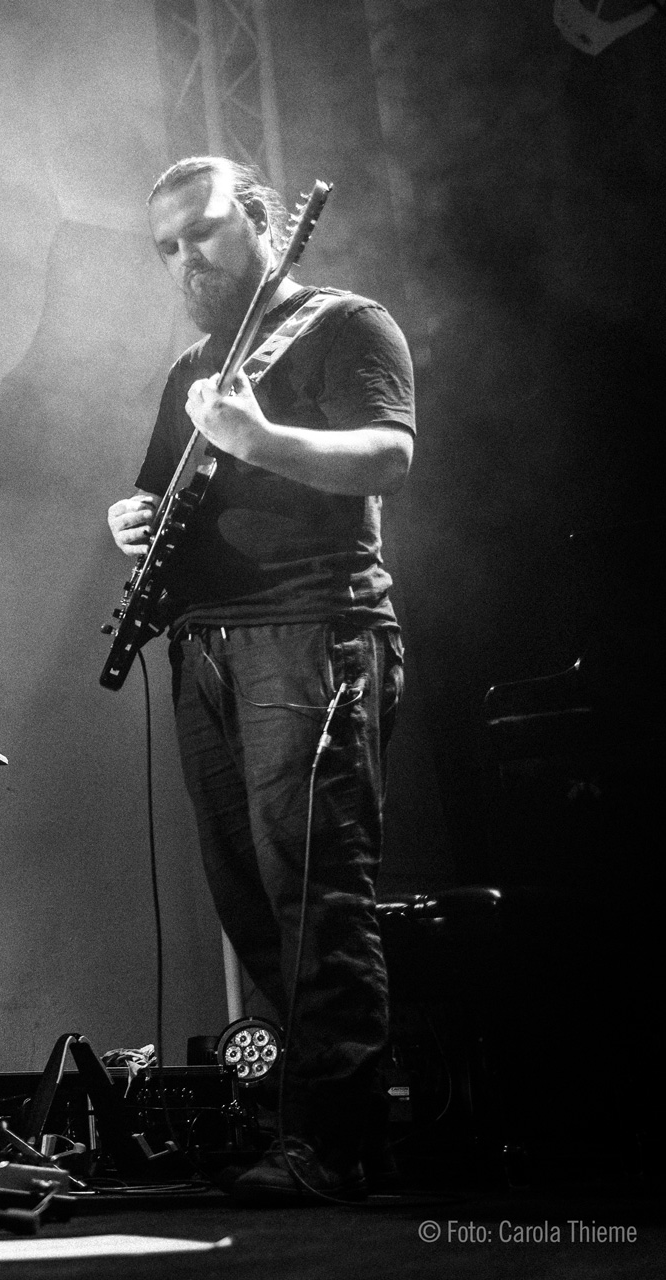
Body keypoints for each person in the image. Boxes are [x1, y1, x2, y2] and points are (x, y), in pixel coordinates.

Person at [106, 157, 412, 1201]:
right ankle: (311, 1129)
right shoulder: (191, 367)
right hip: (206, 649)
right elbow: (157, 499)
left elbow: (387, 456)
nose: (185, 258)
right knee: (248, 897)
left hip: (311, 630)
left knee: (315, 891)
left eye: (201, 230)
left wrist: (264, 440)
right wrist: (127, 521)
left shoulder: (345, 324)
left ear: (262, 220)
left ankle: (338, 1144)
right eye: (167, 246)